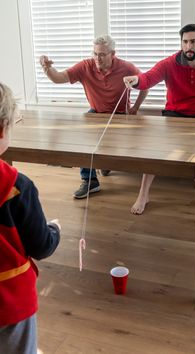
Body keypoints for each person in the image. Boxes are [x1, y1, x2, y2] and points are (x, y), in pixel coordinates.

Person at [123, 23, 195, 215]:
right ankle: (143, 194)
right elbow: (149, 78)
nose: (189, 46)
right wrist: (136, 80)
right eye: (185, 42)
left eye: (193, 42)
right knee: (153, 151)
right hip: (175, 115)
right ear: (181, 43)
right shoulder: (169, 63)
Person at [39, 35, 148, 199]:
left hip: (120, 116)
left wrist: (135, 108)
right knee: (83, 136)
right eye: (95, 53)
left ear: (113, 54)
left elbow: (145, 84)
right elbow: (58, 78)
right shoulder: (85, 66)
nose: (98, 58)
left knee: (116, 144)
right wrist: (47, 68)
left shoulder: (126, 67)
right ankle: (90, 181)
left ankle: (105, 164)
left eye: (102, 54)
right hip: (95, 113)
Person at [0, 82, 61, 354]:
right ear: (2, 129)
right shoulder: (17, 187)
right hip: (9, 301)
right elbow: (40, 246)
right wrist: (54, 231)